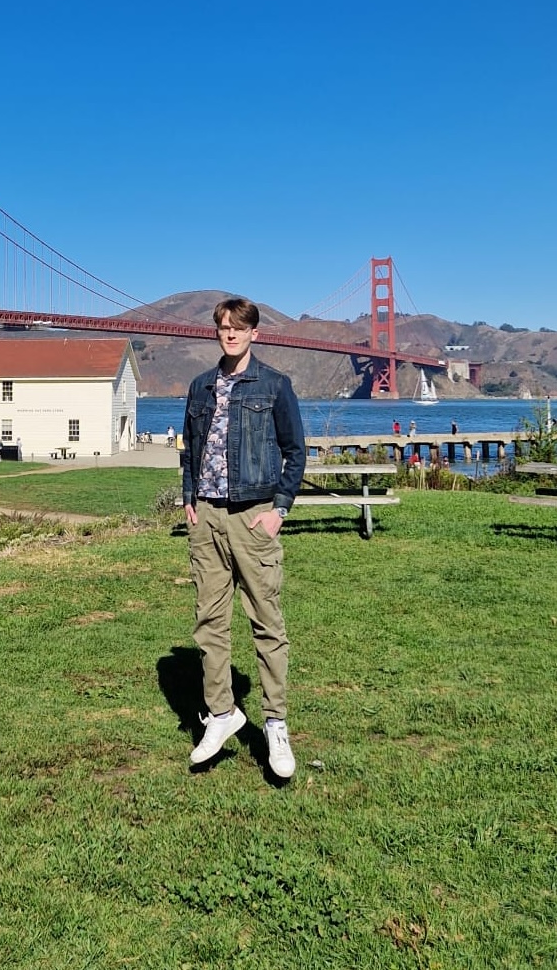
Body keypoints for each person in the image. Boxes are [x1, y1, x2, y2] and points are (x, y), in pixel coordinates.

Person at [180, 297, 305, 779]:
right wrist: (190, 497)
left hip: (253, 516)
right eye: (223, 328)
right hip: (207, 517)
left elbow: (295, 453)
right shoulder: (200, 386)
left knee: (267, 623)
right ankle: (222, 713)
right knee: (208, 623)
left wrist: (279, 511)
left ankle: (275, 724)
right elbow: (191, 450)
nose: (229, 335)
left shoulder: (274, 386)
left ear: (255, 333)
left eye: (238, 328)